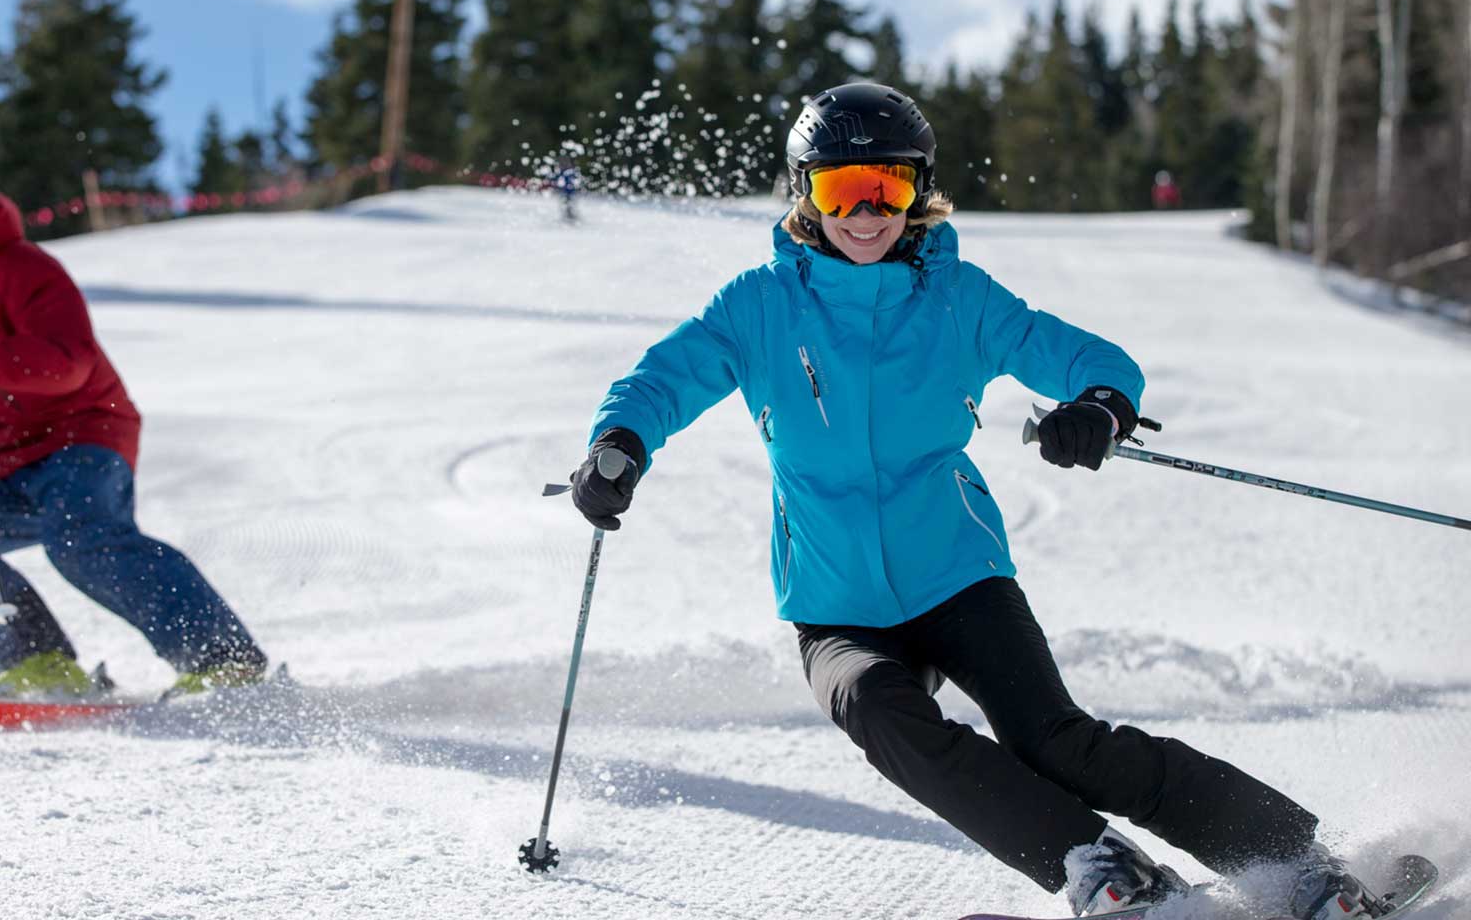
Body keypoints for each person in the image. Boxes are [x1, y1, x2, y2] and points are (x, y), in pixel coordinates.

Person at [566, 84, 1384, 919]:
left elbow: (1091, 361)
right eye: (840, 189)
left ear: (917, 190)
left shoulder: (958, 298)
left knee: (1058, 744)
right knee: (877, 710)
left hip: (959, 577)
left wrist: (1099, 409)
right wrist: (618, 444)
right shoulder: (759, 306)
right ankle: (1099, 867)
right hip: (834, 601)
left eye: (887, 187)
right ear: (804, 194)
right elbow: (661, 380)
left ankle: (1295, 862)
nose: (864, 213)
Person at [0, 140, 265, 699]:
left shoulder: (25, 270)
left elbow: (69, 362)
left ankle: (221, 658)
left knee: (81, 538)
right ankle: (39, 664)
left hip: (81, 439)